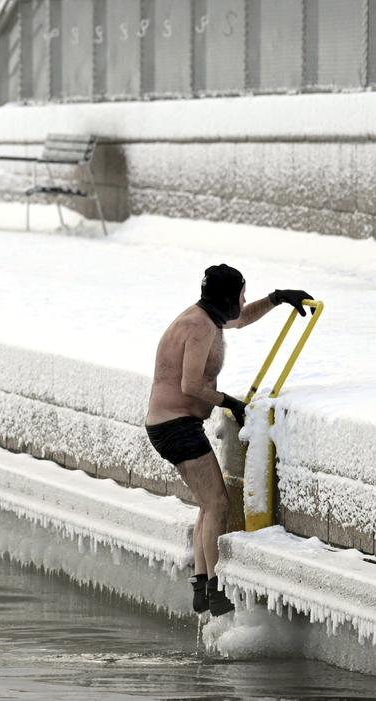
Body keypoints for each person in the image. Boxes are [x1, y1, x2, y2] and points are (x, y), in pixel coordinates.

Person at [145, 264, 311, 616]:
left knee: (209, 504)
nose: (244, 300)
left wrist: (278, 299)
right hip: (175, 426)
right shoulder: (198, 326)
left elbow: (241, 318)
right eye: (241, 294)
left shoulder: (208, 317)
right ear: (226, 297)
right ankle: (214, 588)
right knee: (218, 504)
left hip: (176, 424)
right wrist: (230, 402)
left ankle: (202, 586)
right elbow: (190, 386)